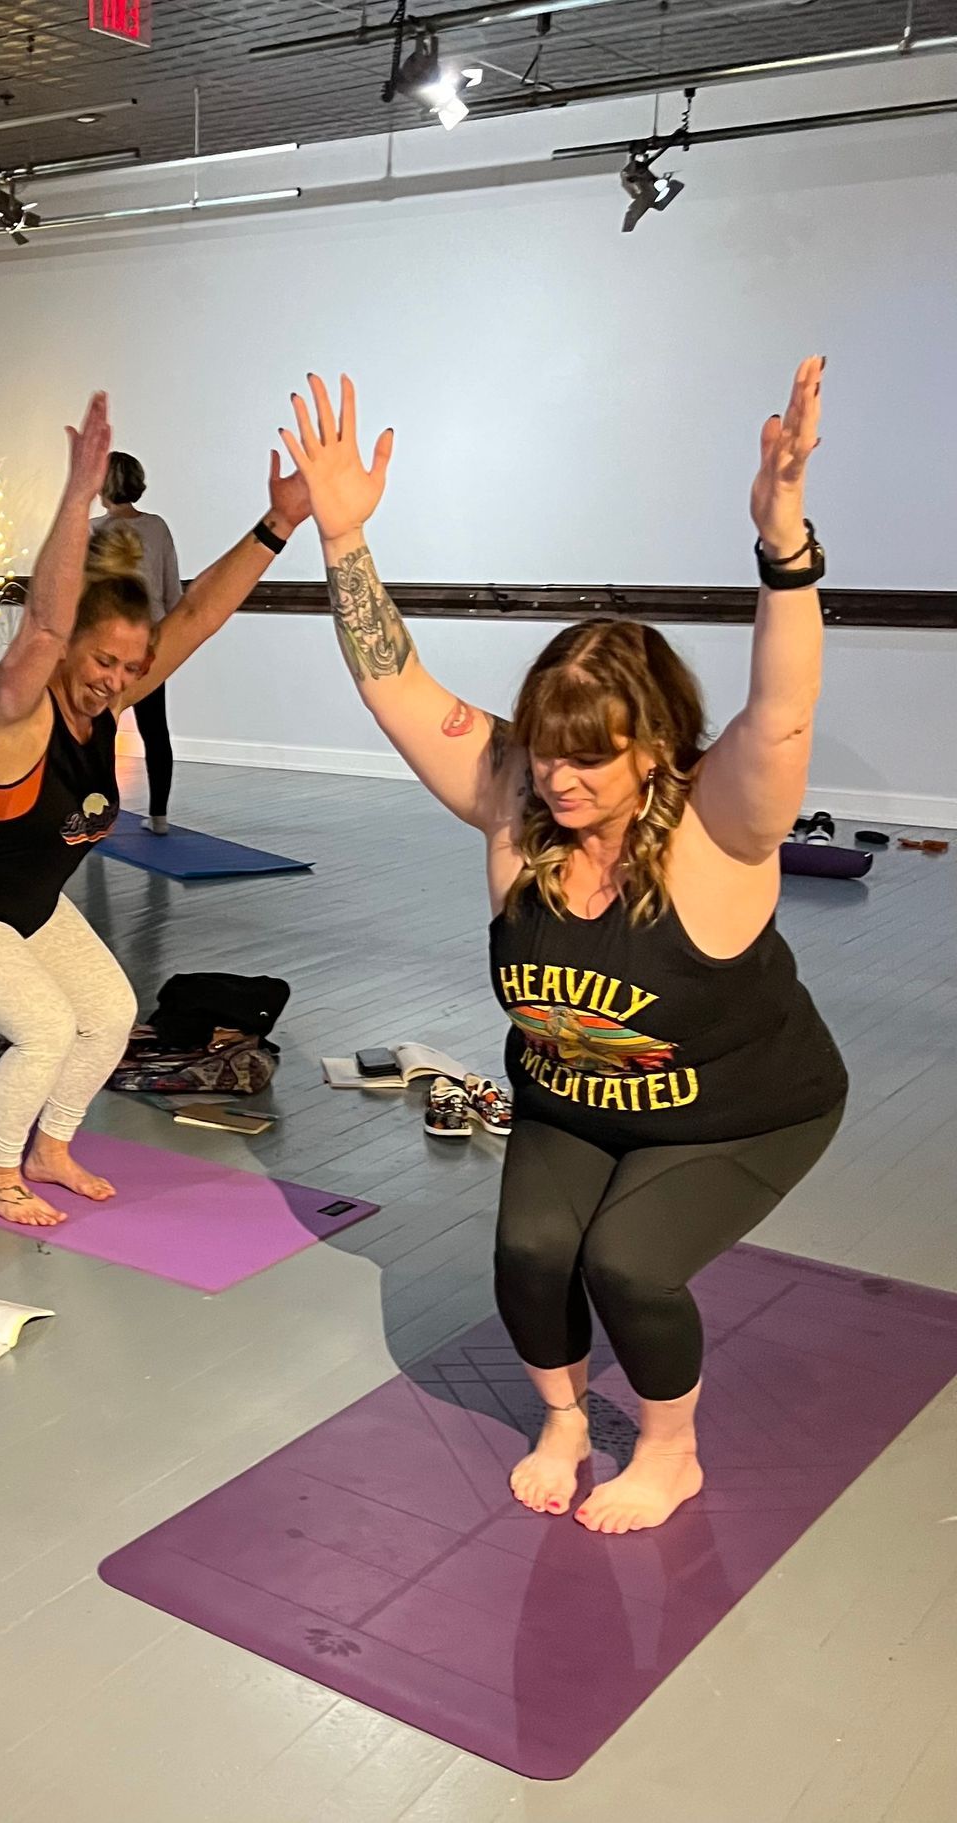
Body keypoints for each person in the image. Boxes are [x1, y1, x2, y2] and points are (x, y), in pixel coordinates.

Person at [278, 358, 845, 1534]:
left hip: (741, 1106)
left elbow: (782, 714)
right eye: (546, 746)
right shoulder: (514, 806)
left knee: (630, 1261)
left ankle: (672, 1447)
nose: (560, 774)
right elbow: (397, 686)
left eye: (591, 755)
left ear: (652, 749)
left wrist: (783, 545)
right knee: (533, 1248)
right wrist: (341, 540)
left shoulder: (719, 826)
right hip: (572, 1096)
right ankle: (566, 1417)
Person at [0, 393, 313, 1226]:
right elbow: (41, 623)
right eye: (102, 658)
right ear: (71, 644)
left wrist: (276, 525)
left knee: (110, 1014)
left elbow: (196, 617)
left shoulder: (105, 701)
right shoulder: (18, 710)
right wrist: (75, 497)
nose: (116, 676)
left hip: (26, 907)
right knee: (44, 1025)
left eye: (129, 664)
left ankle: (52, 1146)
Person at [93, 451, 182, 832]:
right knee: (154, 728)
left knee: (101, 732)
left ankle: (100, 814)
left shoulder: (93, 530)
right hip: (151, 641)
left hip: (107, 645)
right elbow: (172, 590)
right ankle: (158, 815)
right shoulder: (157, 527)